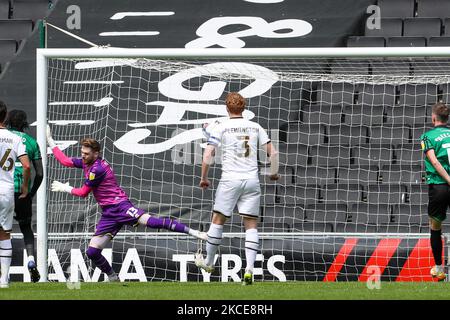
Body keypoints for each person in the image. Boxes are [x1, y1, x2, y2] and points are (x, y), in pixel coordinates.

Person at [46, 128, 207, 282]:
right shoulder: (88, 162)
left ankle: (195, 233)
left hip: (120, 207)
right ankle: (113, 278)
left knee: (152, 222)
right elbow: (66, 161)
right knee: (92, 251)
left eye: (86, 154)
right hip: (109, 213)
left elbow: (83, 193)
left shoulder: (97, 169)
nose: (83, 156)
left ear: (96, 154)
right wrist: (51, 142)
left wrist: (66, 188)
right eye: (82, 153)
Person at [194, 92, 279, 285]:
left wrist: (204, 177)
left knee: (218, 220)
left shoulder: (221, 127)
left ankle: (208, 262)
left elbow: (208, 154)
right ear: (244, 108)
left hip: (230, 180)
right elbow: (273, 152)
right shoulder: (255, 126)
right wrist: (273, 172)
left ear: (227, 108)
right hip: (251, 179)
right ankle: (249, 269)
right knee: (250, 225)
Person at [5, 110, 43, 283]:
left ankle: (3, 273)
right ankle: (31, 260)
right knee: (26, 228)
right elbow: (40, 174)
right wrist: (30, 193)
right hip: (22, 191)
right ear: (25, 123)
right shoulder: (32, 142)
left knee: (3, 231)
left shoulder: (4, 136)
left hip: (3, 188)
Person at [0, 101, 31, 288]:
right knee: (4, 234)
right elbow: (26, 165)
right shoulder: (15, 138)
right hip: (6, 190)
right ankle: (4, 280)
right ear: (5, 117)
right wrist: (25, 187)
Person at [420, 102, 450, 281]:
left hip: (439, 186)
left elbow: (435, 162)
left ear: (433, 118)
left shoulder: (427, 137)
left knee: (435, 227)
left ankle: (439, 268)